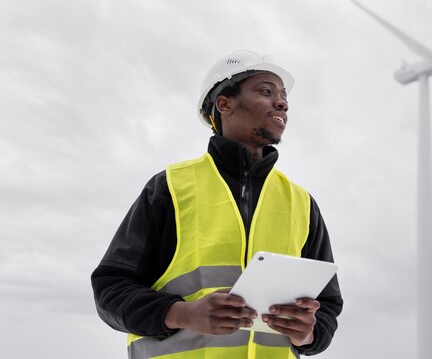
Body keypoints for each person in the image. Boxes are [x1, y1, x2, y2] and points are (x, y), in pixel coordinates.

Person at [91, 50, 343, 359]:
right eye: (266, 91)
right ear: (224, 104)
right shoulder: (170, 187)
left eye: (284, 96)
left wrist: (309, 332)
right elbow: (110, 289)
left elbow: (327, 308)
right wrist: (182, 314)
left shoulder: (302, 203)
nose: (282, 103)